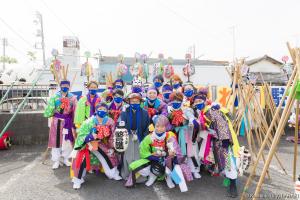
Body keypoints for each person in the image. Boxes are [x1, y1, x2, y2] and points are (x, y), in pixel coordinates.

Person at [125, 115, 189, 192]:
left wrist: (172, 155)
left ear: (166, 127)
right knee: (136, 166)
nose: (159, 129)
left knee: (176, 166)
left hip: (167, 161)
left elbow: (175, 149)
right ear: (154, 126)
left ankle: (169, 178)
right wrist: (154, 157)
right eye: (157, 126)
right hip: (153, 159)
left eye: (162, 126)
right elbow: (143, 151)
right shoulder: (149, 137)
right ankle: (152, 176)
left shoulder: (170, 135)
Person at [71, 102, 122, 189]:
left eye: (104, 109)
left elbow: (113, 135)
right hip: (86, 144)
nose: (102, 111)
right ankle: (77, 180)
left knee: (109, 154)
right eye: (100, 109)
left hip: (99, 143)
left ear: (107, 111)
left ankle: (113, 174)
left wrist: (111, 147)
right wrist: (90, 137)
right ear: (96, 110)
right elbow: (80, 136)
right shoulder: (89, 122)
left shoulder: (110, 121)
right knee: (80, 159)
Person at [44, 80, 77, 169]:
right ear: (60, 86)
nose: (65, 87)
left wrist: (74, 123)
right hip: (57, 121)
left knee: (67, 141)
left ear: (69, 87)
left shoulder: (73, 98)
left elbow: (75, 111)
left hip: (67, 121)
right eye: (63, 85)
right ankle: (56, 160)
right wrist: (52, 111)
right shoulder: (55, 97)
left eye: (67, 85)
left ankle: (66, 159)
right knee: (56, 140)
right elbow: (48, 111)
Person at [168, 92, 201, 179]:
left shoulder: (186, 109)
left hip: (187, 134)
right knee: (178, 154)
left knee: (192, 152)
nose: (176, 102)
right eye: (174, 100)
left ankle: (195, 170)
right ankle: (182, 171)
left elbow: (191, 117)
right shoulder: (169, 110)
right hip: (175, 135)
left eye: (178, 100)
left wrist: (191, 121)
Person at [120, 93, 150, 180]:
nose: (134, 103)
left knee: (138, 156)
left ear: (140, 102)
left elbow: (147, 127)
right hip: (128, 136)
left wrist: (143, 138)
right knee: (128, 156)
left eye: (137, 101)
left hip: (140, 136)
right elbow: (122, 124)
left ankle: (138, 176)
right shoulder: (125, 111)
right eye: (132, 101)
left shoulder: (144, 112)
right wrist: (124, 112)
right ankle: (127, 174)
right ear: (128, 102)